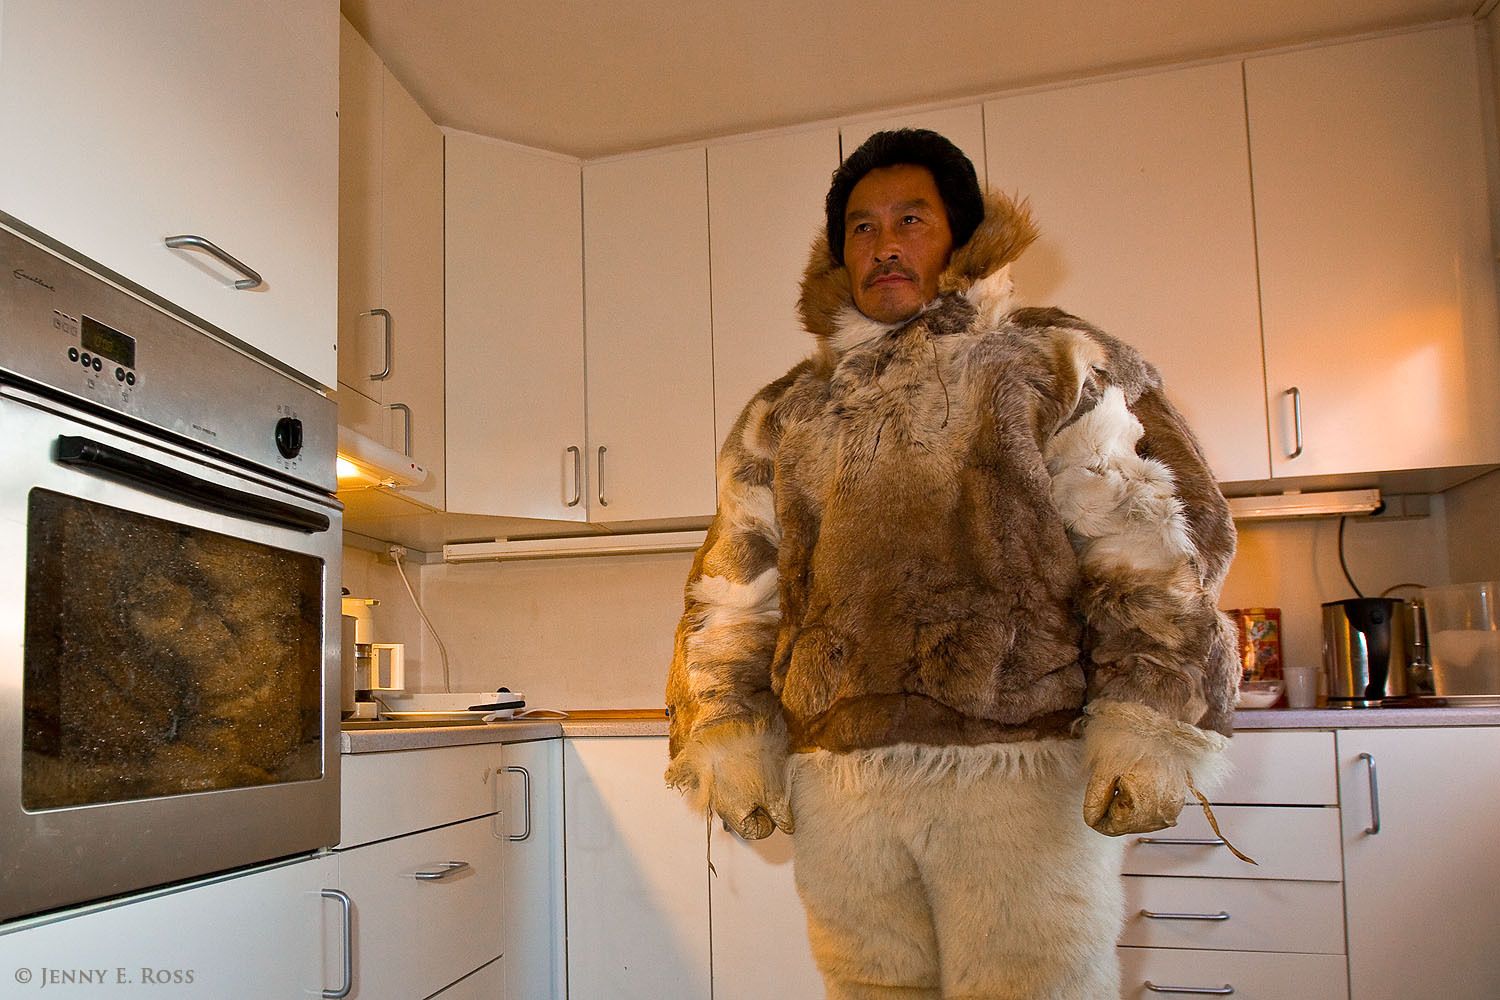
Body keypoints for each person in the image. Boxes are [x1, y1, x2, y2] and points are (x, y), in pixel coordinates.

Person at [664, 128, 1239, 999]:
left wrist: (1150, 719)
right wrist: (727, 732)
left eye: (910, 219)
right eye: (860, 227)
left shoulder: (1049, 362)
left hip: (1022, 778)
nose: (884, 243)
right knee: (869, 989)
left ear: (960, 237)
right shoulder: (786, 412)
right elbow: (735, 589)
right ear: (837, 254)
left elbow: (1148, 550)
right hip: (842, 786)